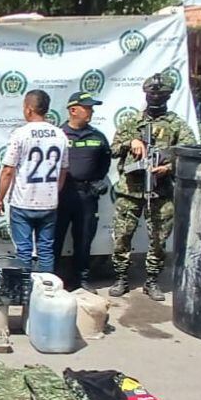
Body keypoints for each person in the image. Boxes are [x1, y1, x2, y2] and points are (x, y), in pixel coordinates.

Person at [109, 73, 196, 301]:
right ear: (145, 94)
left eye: (160, 95)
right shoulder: (132, 122)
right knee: (121, 236)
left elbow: (190, 153)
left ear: (168, 96)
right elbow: (114, 149)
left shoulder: (176, 124)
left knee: (158, 239)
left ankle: (152, 280)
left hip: (160, 191)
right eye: (151, 94)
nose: (155, 98)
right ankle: (121, 277)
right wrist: (132, 142)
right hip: (130, 190)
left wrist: (168, 167)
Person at [0, 90, 69, 273]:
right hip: (49, 203)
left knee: (24, 252)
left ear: (28, 109)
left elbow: (7, 170)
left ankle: (25, 295)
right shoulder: (60, 134)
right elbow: (64, 170)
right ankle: (46, 295)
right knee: (45, 251)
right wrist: (54, 192)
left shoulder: (20, 134)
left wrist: (0, 198)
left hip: (23, 202)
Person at [55, 91, 111, 292]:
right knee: (55, 238)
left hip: (87, 195)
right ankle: (52, 279)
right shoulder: (58, 134)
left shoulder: (97, 137)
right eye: (87, 107)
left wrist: (97, 180)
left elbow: (105, 161)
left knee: (84, 239)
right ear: (73, 110)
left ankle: (82, 279)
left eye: (91, 108)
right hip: (62, 195)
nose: (91, 111)